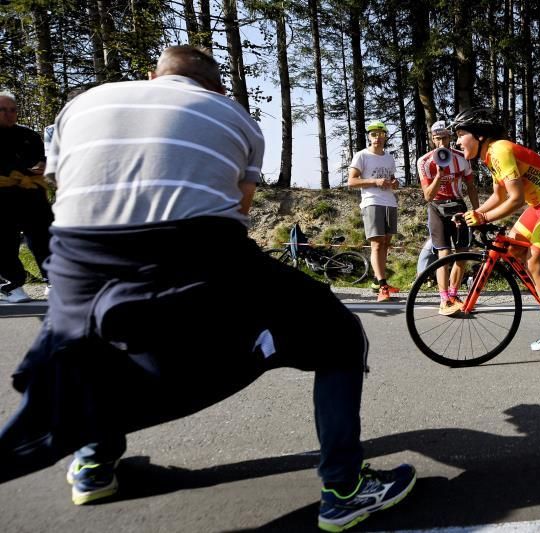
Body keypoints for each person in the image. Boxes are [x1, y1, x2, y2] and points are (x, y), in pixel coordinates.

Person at [0, 46, 415, 531]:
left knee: (92, 346)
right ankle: (344, 489)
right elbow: (238, 208)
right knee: (340, 335)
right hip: (193, 252)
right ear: (216, 87)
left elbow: (59, 182)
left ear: (152, 75)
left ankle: (94, 466)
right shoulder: (233, 115)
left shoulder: (84, 103)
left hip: (78, 263)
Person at [452, 107, 540, 351]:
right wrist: (475, 214)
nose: (457, 141)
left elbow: (515, 199)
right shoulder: (491, 156)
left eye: (461, 134)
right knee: (515, 251)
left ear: (479, 135)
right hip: (539, 205)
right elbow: (499, 196)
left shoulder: (500, 150)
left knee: (535, 263)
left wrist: (483, 217)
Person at [417, 120, 480, 315]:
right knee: (443, 255)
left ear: (450, 138)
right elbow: (427, 196)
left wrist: (478, 213)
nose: (442, 143)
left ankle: (453, 294)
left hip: (457, 205)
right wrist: (439, 174)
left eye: (445, 137)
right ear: (433, 139)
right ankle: (444, 298)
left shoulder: (462, 158)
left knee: (462, 253)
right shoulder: (424, 161)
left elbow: (470, 187)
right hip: (437, 207)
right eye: (437, 139)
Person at [0, 91, 54, 303]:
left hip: (31, 194)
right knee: (4, 241)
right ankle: (10, 285)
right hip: (2, 196)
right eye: (3, 110)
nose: (9, 114)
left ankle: (53, 280)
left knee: (44, 237)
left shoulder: (29, 135)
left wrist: (42, 165)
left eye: (12, 110)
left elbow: (42, 158)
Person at [347, 120, 400, 302]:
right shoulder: (361, 155)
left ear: (385, 136)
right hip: (371, 202)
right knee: (377, 244)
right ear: (369, 136)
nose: (377, 137)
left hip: (390, 202)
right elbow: (352, 181)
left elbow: (393, 180)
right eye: (373, 134)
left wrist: (394, 183)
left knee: (385, 244)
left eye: (380, 133)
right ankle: (383, 286)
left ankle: (379, 282)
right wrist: (375, 182)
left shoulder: (389, 157)